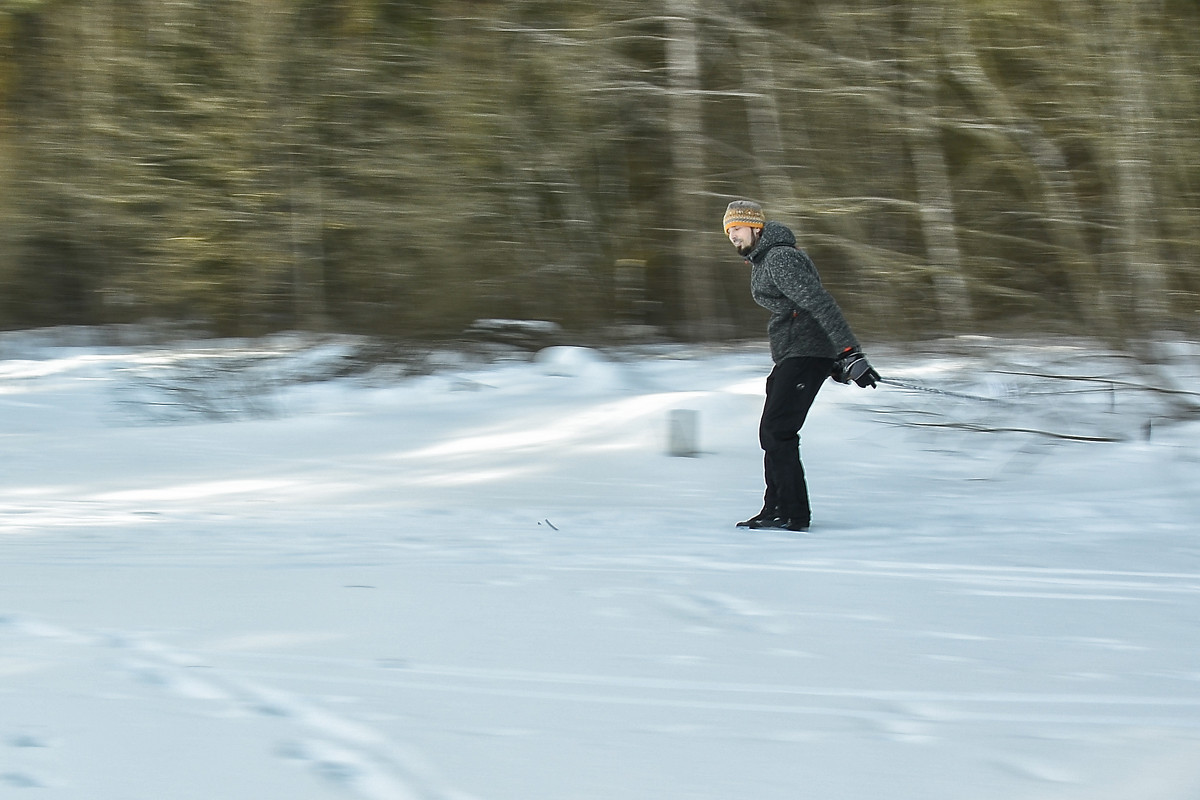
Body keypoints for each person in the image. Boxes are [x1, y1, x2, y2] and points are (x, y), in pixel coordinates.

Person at [724, 200, 879, 533]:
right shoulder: (764, 259)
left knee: (777, 431)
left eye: (737, 229)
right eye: (729, 231)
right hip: (798, 352)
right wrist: (835, 358)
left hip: (805, 351)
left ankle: (792, 513)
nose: (733, 236)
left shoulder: (780, 258)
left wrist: (849, 352)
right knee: (773, 431)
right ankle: (777, 507)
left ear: (755, 227)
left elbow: (819, 302)